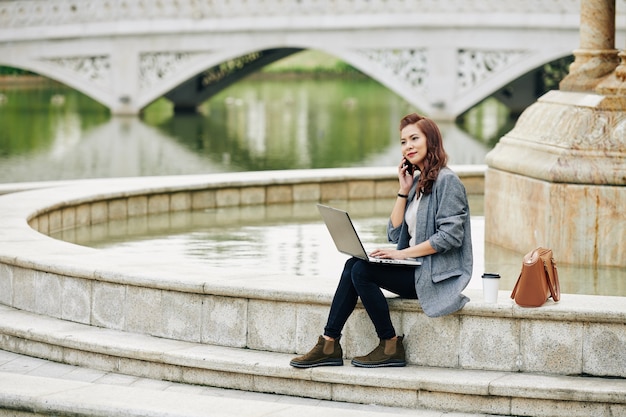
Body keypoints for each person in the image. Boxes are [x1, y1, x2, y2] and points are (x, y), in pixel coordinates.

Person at [290, 112, 473, 369]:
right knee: (354, 264)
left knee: (362, 271)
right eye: (403, 141)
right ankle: (329, 342)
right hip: (415, 268)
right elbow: (395, 234)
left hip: (434, 275)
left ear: (431, 140)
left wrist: (401, 255)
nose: (407, 146)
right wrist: (403, 190)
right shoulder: (419, 181)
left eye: (414, 139)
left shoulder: (447, 181)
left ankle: (389, 344)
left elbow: (450, 237)